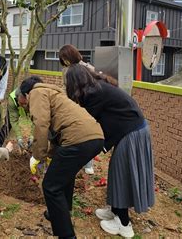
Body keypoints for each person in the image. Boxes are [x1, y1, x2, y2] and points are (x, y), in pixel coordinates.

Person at [65, 64, 155, 238]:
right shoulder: (97, 86)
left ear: (75, 83)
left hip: (132, 132)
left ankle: (123, 224)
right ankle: (115, 210)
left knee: (122, 174)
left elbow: (86, 121)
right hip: (130, 129)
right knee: (117, 171)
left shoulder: (94, 94)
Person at [20, 76, 104, 239]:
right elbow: (58, 134)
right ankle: (60, 213)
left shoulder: (37, 92)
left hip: (78, 139)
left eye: (22, 99)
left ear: (26, 94)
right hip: (95, 137)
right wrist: (49, 155)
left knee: (51, 186)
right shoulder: (56, 94)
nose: (23, 103)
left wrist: (37, 156)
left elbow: (41, 124)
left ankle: (66, 235)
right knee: (65, 177)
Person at [58, 44, 96, 174]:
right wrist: (62, 98)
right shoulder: (65, 70)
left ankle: (88, 164)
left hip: (86, 104)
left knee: (87, 132)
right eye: (63, 59)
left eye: (65, 58)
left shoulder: (86, 68)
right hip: (71, 104)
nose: (65, 62)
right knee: (73, 132)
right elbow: (64, 86)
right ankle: (75, 161)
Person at [7, 78, 40, 150]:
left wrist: (32, 136)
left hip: (34, 109)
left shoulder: (37, 100)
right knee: (7, 125)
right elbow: (14, 120)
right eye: (21, 103)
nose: (23, 106)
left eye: (25, 103)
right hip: (14, 109)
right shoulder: (12, 100)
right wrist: (19, 137)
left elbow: (37, 121)